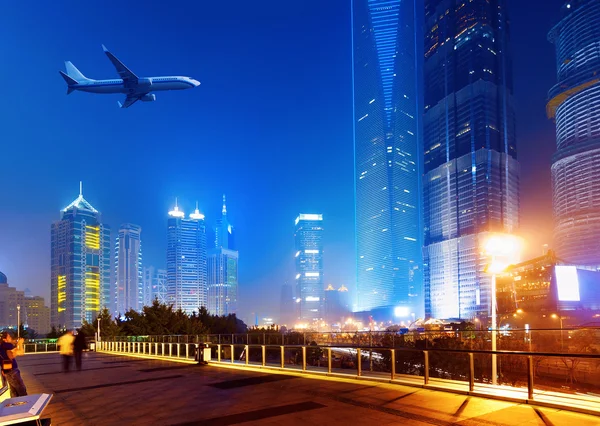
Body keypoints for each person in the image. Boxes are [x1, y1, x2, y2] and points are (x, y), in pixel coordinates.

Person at [0, 331, 27, 397]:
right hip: (13, 372)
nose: (11, 338)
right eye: (9, 336)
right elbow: (21, 352)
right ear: (4, 339)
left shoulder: (1, 347)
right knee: (22, 392)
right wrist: (20, 343)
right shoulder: (8, 347)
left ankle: (15, 406)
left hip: (7, 372)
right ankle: (24, 407)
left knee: (14, 393)